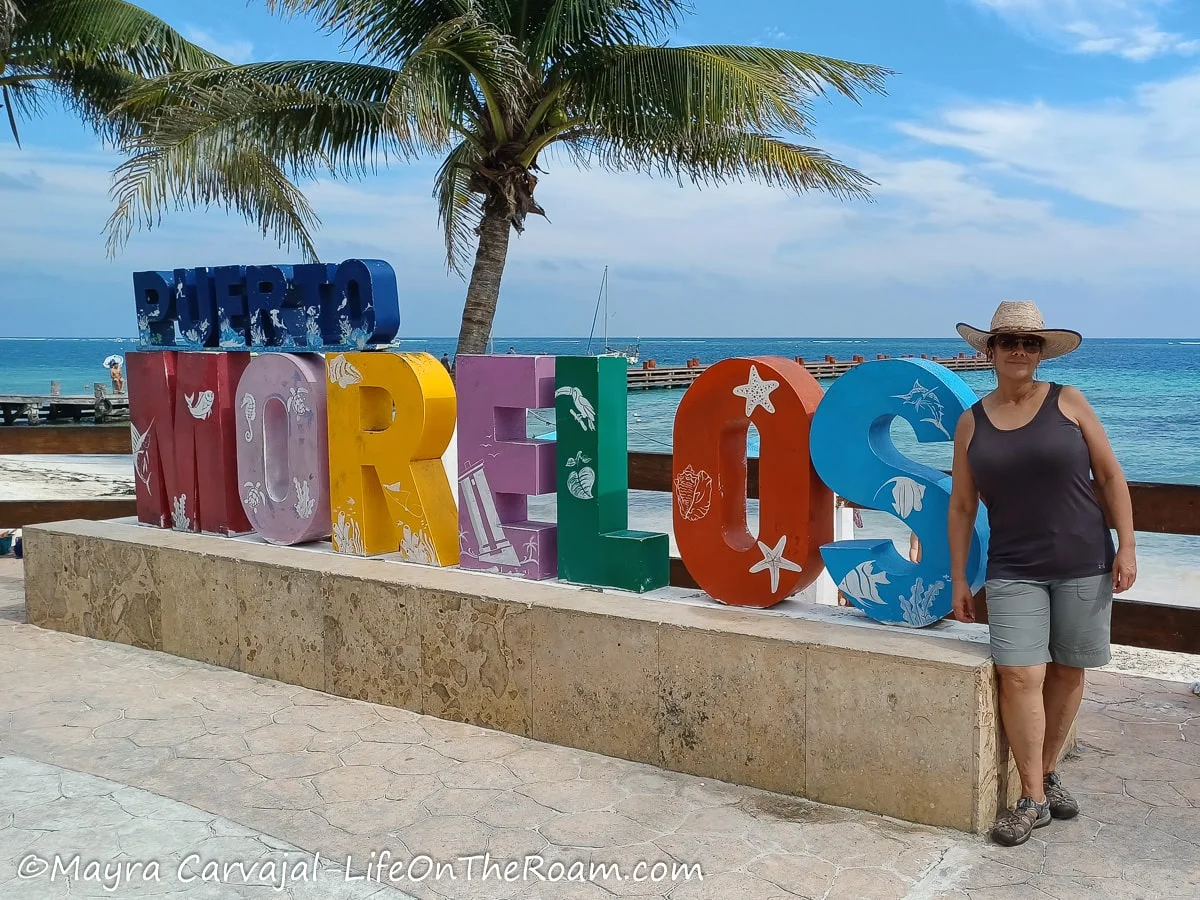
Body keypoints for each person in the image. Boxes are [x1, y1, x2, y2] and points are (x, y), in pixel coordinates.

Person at [948, 300, 1135, 848]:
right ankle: (1032, 796)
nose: (1019, 351)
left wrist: (1127, 546)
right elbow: (961, 507)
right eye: (1008, 341)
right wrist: (960, 578)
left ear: (1040, 352)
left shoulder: (1069, 401)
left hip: (1085, 563)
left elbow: (1110, 475)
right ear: (990, 350)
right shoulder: (971, 422)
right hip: (1012, 568)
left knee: (1068, 672)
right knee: (1020, 675)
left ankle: (1047, 771)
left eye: (1030, 343)